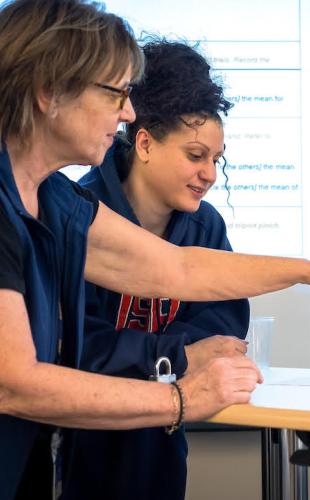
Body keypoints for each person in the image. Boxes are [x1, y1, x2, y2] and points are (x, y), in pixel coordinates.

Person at [0, 2, 310, 499]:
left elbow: (175, 267)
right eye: (116, 93)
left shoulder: (50, 196)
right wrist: (181, 399)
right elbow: (9, 381)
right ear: (49, 91)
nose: (127, 111)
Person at [60, 40, 249, 500]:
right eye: (195, 155)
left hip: (164, 440)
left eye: (215, 161)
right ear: (143, 142)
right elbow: (78, 346)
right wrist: (177, 354)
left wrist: (159, 354)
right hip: (77, 443)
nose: (209, 174)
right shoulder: (78, 212)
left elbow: (223, 323)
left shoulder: (206, 224)